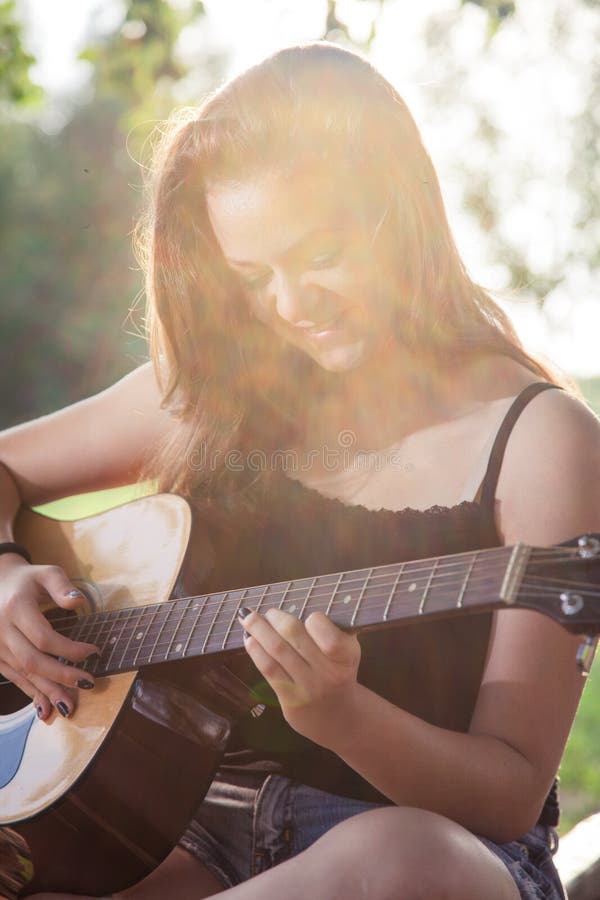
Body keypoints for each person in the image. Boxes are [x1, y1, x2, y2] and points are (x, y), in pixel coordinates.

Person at [1, 41, 599, 900]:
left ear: (405, 216)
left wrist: (348, 721)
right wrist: (5, 571)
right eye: (252, 276)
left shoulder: (543, 442)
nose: (289, 306)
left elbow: (505, 797)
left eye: (322, 257)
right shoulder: (213, 394)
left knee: (403, 865)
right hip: (182, 832)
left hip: (417, 855)